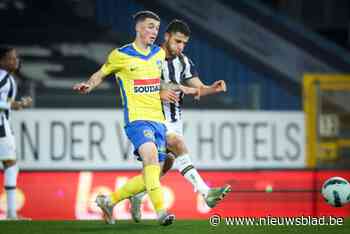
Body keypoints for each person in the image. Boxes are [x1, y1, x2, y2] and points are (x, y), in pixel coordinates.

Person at [73, 11, 199, 226]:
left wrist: (181, 88)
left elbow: (157, 83)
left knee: (152, 174)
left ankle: (109, 201)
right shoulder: (120, 55)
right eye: (150, 27)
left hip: (158, 121)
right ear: (138, 28)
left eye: (156, 28)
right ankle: (161, 212)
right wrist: (89, 85)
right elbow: (100, 74)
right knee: (150, 158)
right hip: (137, 119)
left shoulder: (158, 55)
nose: (154, 32)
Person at [129, 19, 231, 222]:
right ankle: (206, 193)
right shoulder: (150, 57)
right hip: (153, 119)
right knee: (178, 144)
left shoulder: (183, 62)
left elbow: (198, 87)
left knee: (164, 165)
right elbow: (135, 87)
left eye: (184, 43)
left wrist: (213, 88)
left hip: (175, 120)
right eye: (177, 41)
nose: (180, 47)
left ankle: (136, 195)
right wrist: (159, 93)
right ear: (166, 37)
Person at [0, 46, 32, 220]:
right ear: (2, 61)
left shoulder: (7, 78)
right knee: (11, 165)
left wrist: (18, 104)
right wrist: (11, 105)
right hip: (0, 128)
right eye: (12, 58)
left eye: (16, 57)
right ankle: (11, 213)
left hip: (3, 125)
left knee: (10, 165)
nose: (16, 60)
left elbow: (4, 101)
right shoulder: (3, 77)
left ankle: (11, 213)